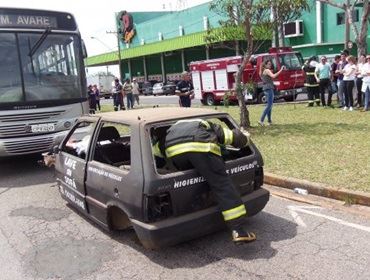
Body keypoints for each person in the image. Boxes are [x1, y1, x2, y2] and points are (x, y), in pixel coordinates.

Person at [154, 119, 256, 243]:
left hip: (177, 155)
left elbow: (161, 154)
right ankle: (238, 230)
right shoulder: (204, 124)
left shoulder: (170, 131)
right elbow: (233, 138)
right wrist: (245, 137)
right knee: (221, 184)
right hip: (202, 148)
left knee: (197, 176)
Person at [259, 60, 285, 126]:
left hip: (265, 88)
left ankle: (269, 121)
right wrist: (281, 70)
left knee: (269, 105)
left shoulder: (262, 71)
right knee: (269, 105)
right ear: (265, 65)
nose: (270, 66)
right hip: (269, 88)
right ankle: (261, 120)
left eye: (270, 64)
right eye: (269, 64)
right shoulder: (267, 70)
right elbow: (273, 76)